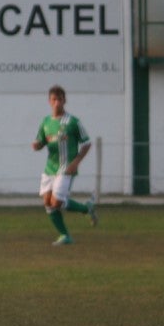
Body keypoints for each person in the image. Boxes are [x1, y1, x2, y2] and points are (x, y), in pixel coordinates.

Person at [31, 84, 97, 246]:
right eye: (54, 99)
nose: (57, 103)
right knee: (48, 203)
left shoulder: (73, 122)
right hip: (50, 168)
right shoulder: (46, 122)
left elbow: (87, 143)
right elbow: (41, 142)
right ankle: (65, 235)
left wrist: (76, 162)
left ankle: (85, 209)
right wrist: (37, 145)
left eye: (60, 99)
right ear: (49, 101)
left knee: (57, 202)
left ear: (65, 100)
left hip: (66, 168)